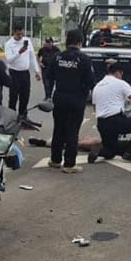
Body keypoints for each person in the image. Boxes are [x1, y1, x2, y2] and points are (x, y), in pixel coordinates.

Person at [48, 29, 94, 174]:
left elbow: (49, 77)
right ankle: (69, 164)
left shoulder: (57, 57)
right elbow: (90, 81)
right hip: (76, 98)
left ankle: (55, 160)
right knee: (72, 131)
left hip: (60, 96)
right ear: (80, 42)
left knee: (58, 129)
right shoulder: (84, 59)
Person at [90, 62, 131, 163]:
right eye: (121, 74)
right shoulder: (120, 83)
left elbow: (95, 107)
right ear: (118, 73)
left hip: (101, 124)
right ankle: (130, 152)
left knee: (111, 151)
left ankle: (99, 152)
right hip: (115, 120)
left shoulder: (98, 86)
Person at [5, 25, 41, 117]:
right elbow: (9, 60)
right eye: (18, 34)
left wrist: (37, 70)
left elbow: (32, 56)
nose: (20, 36)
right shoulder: (9, 44)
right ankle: (11, 117)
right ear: (14, 33)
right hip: (14, 73)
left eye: (22, 34)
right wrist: (19, 53)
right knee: (13, 97)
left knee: (25, 96)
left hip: (25, 73)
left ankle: (23, 117)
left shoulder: (27, 41)